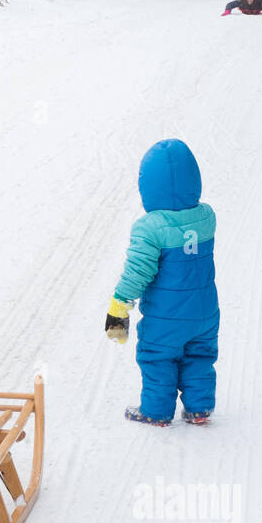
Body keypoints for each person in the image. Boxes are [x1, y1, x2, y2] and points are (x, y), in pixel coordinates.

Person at [104, 139, 219, 426]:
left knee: (157, 357)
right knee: (199, 355)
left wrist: (120, 304)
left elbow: (138, 271)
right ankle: (199, 409)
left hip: (166, 317)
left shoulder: (150, 227)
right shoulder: (206, 216)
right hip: (206, 312)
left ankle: (156, 411)